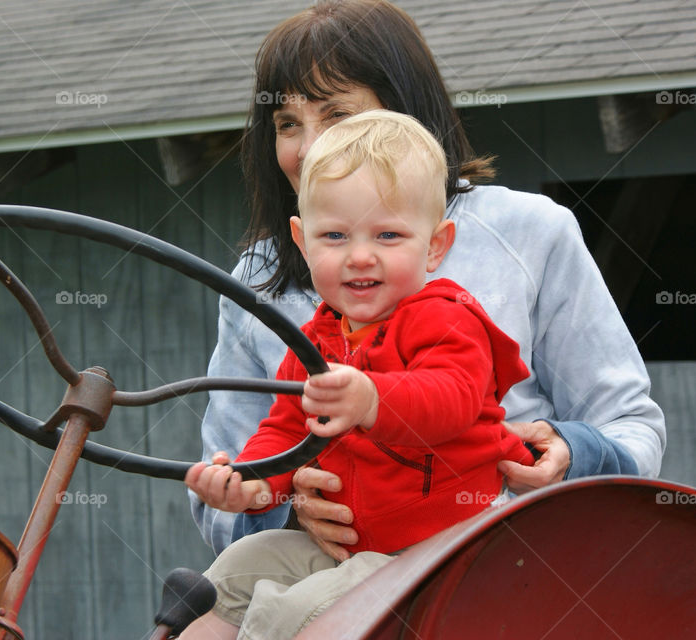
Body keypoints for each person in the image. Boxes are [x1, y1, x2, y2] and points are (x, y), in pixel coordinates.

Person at [191, 0, 665, 561]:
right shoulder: (258, 278)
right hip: (330, 574)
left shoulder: (531, 231)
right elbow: (223, 478)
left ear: (405, 118)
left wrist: (572, 452)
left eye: (337, 116)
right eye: (287, 123)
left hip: (501, 563)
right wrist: (285, 505)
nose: (308, 147)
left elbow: (629, 425)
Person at [183, 110, 536, 639]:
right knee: (229, 575)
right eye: (336, 236)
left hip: (440, 550)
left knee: (290, 616)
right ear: (303, 242)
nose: (361, 256)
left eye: (389, 234)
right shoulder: (314, 341)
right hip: (350, 545)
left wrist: (373, 399)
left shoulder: (447, 316)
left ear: (436, 244)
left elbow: (454, 396)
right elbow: (284, 431)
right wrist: (250, 485)